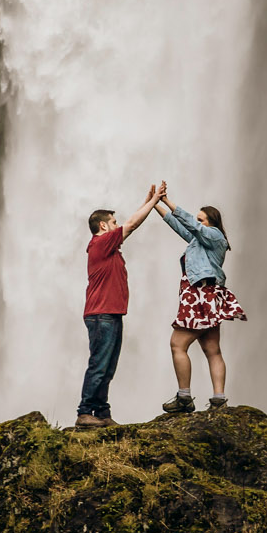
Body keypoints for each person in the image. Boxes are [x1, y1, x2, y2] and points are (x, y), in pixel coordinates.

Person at [77, 183, 162, 429]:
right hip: (101, 314)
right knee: (99, 364)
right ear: (103, 226)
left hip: (110, 313)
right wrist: (154, 201)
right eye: (113, 222)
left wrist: (147, 201)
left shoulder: (107, 247)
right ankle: (84, 412)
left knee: (108, 366)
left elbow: (129, 224)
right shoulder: (100, 243)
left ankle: (101, 412)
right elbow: (132, 224)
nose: (117, 225)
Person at [155, 183, 245, 412]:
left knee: (177, 344)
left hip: (200, 296)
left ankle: (184, 398)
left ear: (212, 222)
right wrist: (154, 202)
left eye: (201, 219)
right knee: (212, 349)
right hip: (206, 295)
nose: (197, 223)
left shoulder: (215, 236)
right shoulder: (200, 241)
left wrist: (167, 201)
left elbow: (191, 225)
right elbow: (179, 226)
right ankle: (219, 399)